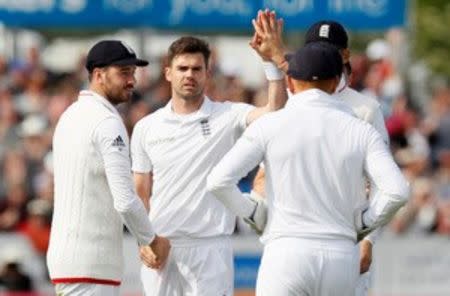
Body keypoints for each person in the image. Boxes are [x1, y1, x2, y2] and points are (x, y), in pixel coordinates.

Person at [207, 41, 409, 296]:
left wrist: (253, 212)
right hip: (341, 256)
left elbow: (217, 181)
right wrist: (365, 223)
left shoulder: (270, 125)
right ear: (337, 83)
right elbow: (397, 191)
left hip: (286, 253)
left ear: (290, 82)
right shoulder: (361, 130)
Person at [131, 14, 287, 296]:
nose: (189, 75)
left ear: (206, 73)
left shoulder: (227, 115)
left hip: (211, 247)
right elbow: (140, 191)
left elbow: (274, 111)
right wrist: (145, 240)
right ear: (168, 73)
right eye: (182, 68)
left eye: (196, 69)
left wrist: (269, 62)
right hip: (163, 246)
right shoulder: (146, 126)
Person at [251, 19, 390, 295]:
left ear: (346, 55)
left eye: (332, 50)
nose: (323, 57)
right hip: (292, 239)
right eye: (316, 49)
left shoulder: (365, 109)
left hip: (343, 239)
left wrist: (369, 239)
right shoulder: (292, 98)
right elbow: (262, 171)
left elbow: (381, 184)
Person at [46, 40, 170, 296]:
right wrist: (152, 240)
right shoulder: (107, 122)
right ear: (99, 75)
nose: (132, 80)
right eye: (123, 72)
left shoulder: (70, 115)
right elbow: (125, 200)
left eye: (133, 73)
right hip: (92, 266)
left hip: (71, 262)